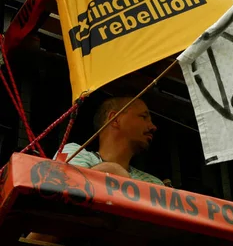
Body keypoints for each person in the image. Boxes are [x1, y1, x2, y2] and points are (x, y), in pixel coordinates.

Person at [27, 96, 163, 243]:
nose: (153, 126)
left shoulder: (154, 182)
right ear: (115, 118)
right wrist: (113, 172)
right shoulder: (74, 152)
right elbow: (63, 205)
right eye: (143, 117)